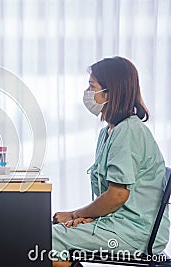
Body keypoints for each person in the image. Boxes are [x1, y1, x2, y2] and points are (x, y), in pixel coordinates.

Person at [51, 56, 170, 267]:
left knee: (47, 240)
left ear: (110, 92)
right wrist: (90, 218)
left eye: (91, 86)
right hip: (119, 225)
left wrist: (75, 214)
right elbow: (114, 198)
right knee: (50, 237)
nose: (87, 93)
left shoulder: (129, 131)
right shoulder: (109, 132)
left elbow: (117, 195)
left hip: (135, 234)